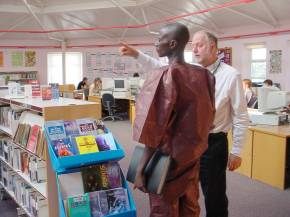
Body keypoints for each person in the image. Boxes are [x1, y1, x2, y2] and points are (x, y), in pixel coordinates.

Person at [120, 30, 249, 217]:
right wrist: (136, 54)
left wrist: (237, 150)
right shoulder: (193, 72)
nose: (194, 49)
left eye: (199, 45)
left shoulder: (228, 75)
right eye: (192, 45)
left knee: (214, 195)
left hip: (212, 144)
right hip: (184, 146)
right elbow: (165, 67)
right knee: (188, 196)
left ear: (213, 46)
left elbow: (240, 115)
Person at [133, 23, 215, 217]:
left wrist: (140, 170)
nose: (155, 43)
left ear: (171, 43)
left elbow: (152, 130)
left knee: (164, 209)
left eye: (158, 39)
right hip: (192, 158)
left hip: (166, 161)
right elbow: (208, 117)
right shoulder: (205, 75)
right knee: (190, 207)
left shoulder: (163, 76)